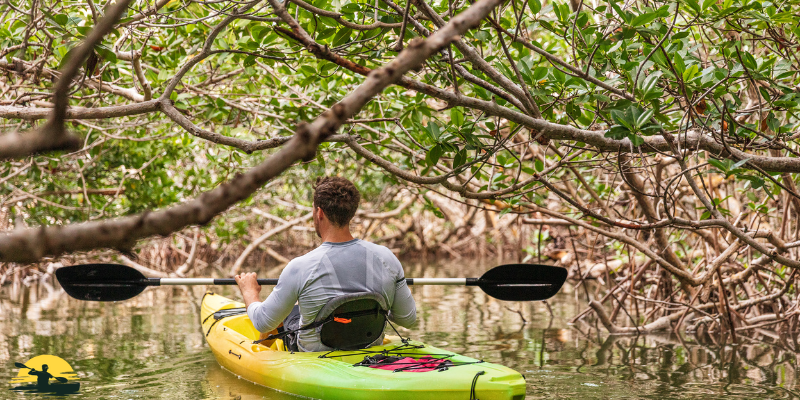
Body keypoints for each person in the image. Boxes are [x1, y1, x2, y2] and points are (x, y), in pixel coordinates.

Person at [235, 177, 416, 352]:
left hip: (313, 356)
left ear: (319, 213)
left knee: (287, 313)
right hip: (369, 348)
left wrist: (249, 291)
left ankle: (258, 350)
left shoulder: (300, 267)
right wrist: (376, 310)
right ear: (351, 213)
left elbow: (262, 322)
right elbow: (407, 319)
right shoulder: (387, 257)